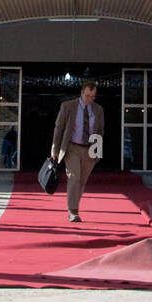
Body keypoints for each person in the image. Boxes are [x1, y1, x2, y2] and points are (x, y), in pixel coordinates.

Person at [51, 80, 104, 222]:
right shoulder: (68, 106)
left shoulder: (98, 110)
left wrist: (97, 151)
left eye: (93, 96)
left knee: (82, 181)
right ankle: (73, 212)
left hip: (90, 150)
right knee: (74, 177)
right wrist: (55, 149)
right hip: (72, 147)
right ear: (82, 93)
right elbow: (59, 128)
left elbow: (100, 131)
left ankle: (74, 206)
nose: (90, 99)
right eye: (87, 96)